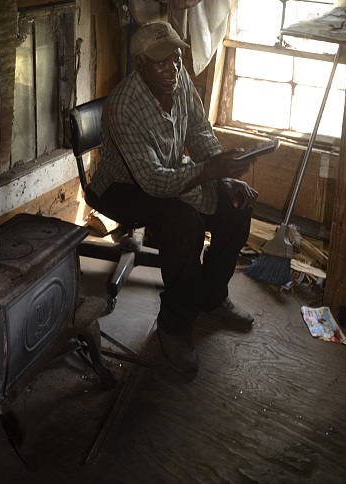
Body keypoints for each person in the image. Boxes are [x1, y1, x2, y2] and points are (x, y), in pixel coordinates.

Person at [84, 20, 258, 374]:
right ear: (140, 64)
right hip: (123, 186)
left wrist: (223, 175)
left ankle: (212, 297)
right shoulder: (124, 106)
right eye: (161, 62)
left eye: (176, 57)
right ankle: (175, 327)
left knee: (236, 208)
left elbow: (199, 131)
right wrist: (209, 171)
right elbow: (151, 182)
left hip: (168, 172)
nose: (172, 68)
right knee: (183, 224)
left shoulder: (179, 82)